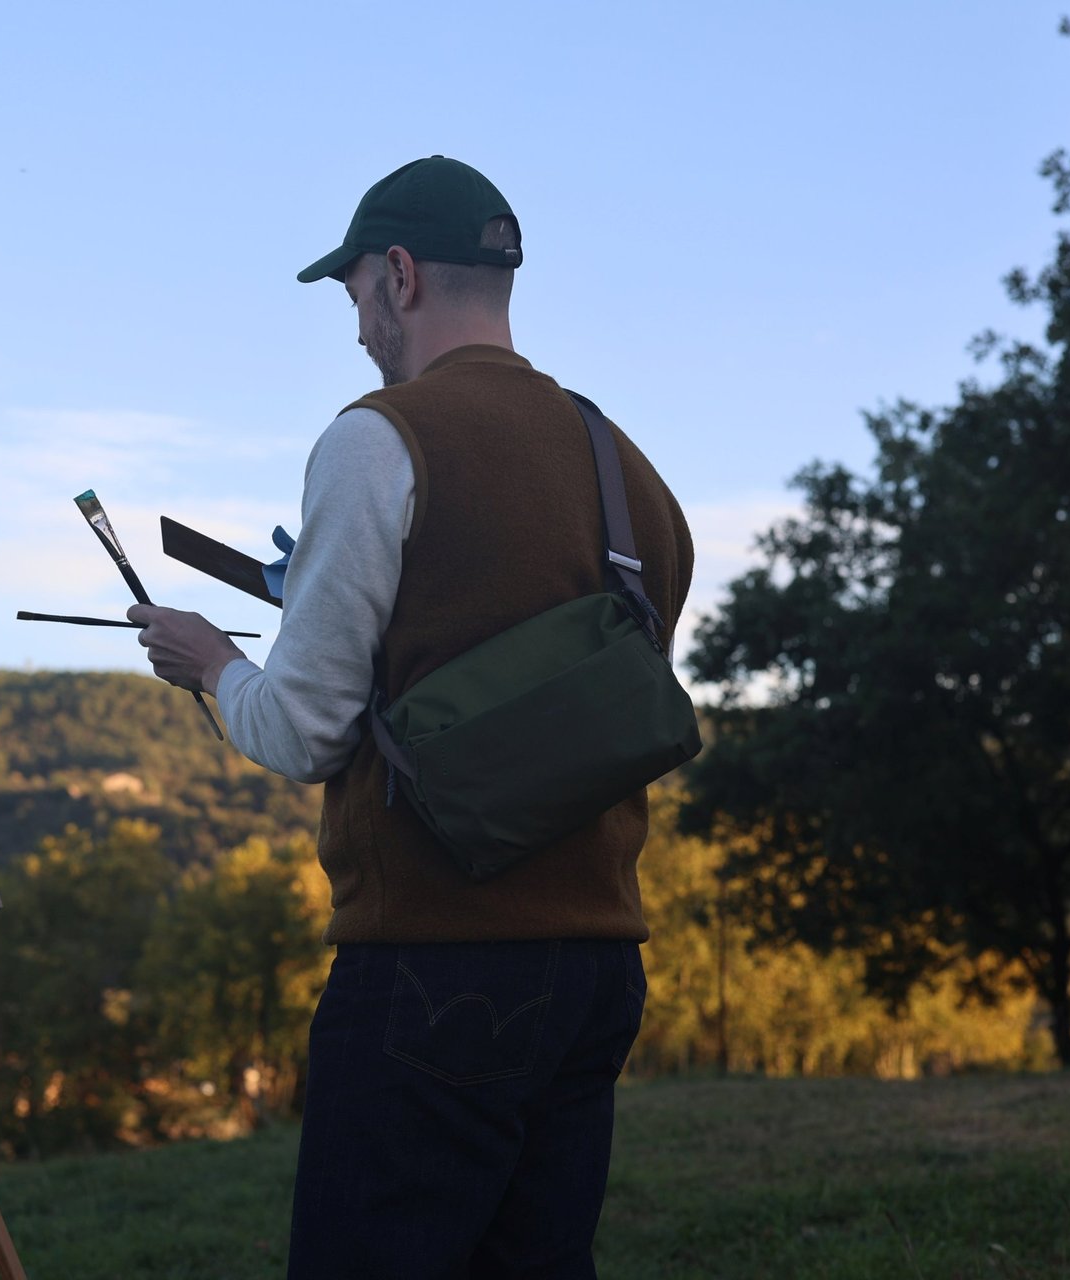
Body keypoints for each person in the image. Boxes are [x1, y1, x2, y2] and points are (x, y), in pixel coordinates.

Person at [131, 155, 693, 1280]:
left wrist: (211, 664)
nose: (355, 333)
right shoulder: (625, 461)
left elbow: (304, 732)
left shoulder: (375, 438)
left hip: (434, 966)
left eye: (351, 298)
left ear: (397, 275)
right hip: (599, 968)